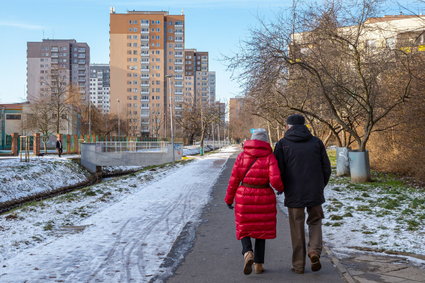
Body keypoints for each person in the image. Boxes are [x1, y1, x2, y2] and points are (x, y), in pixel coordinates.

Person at [273, 114, 331, 274]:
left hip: (294, 193)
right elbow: (326, 168)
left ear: (288, 126)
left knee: (296, 227)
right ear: (304, 126)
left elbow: (278, 170)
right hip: (314, 191)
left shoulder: (282, 144)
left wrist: (282, 188)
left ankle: (298, 265)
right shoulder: (316, 142)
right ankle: (314, 251)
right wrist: (320, 185)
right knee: (316, 221)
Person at [225, 128, 284, 275]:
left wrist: (228, 199)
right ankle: (258, 265)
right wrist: (281, 188)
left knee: (244, 227)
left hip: (244, 195)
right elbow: (275, 179)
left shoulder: (241, 156)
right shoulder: (269, 156)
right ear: (265, 141)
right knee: (261, 231)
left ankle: (247, 253)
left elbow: (234, 180)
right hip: (264, 195)